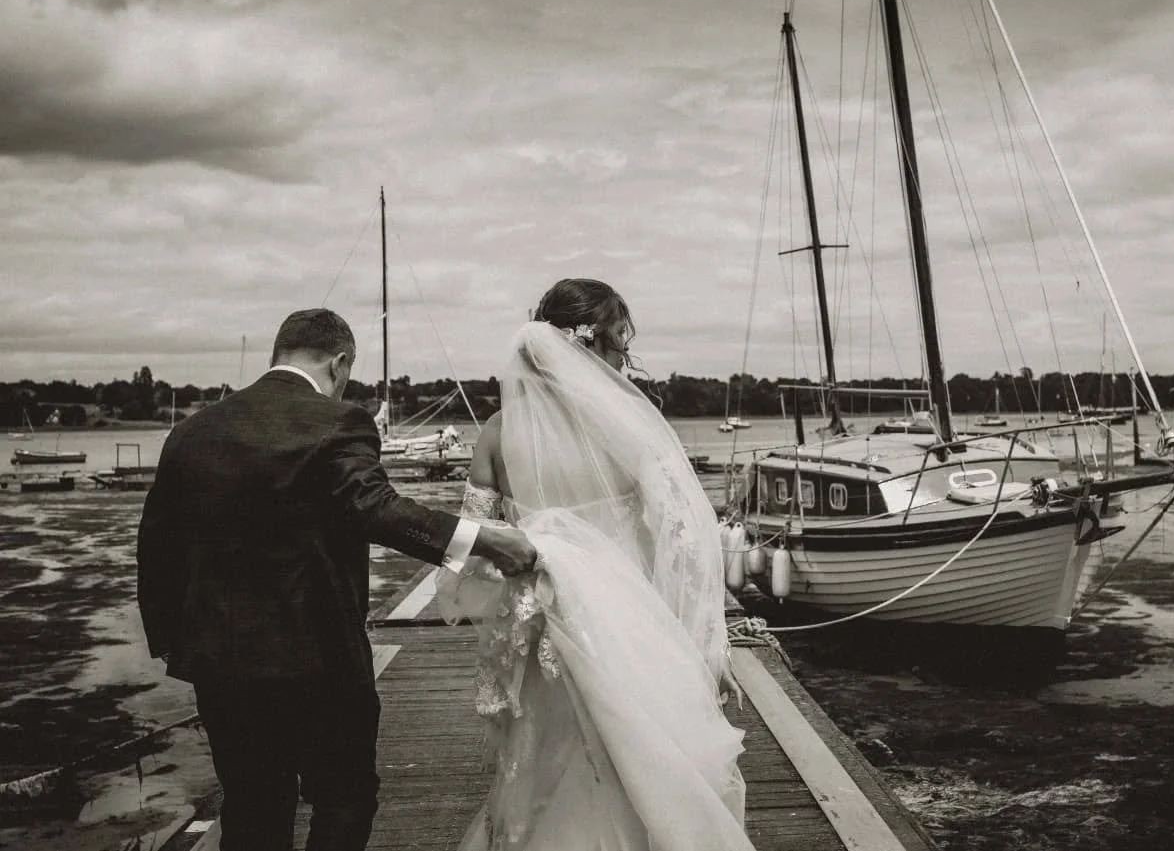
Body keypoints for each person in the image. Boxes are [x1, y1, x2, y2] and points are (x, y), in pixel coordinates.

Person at [137, 308, 536, 851]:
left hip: (223, 664)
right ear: (340, 361)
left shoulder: (192, 431)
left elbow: (158, 547)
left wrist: (173, 645)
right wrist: (483, 539)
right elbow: (375, 507)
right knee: (344, 795)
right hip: (319, 658)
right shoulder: (338, 421)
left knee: (251, 803)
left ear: (277, 353)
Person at [438, 278, 754, 851]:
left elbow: (465, 551)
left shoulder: (497, 433)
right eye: (620, 345)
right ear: (600, 346)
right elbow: (685, 546)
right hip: (632, 624)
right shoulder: (633, 430)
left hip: (541, 632)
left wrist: (521, 572)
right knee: (636, 762)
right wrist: (711, 646)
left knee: (544, 763)